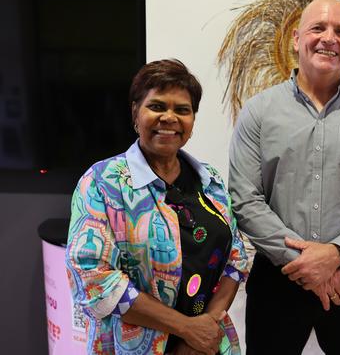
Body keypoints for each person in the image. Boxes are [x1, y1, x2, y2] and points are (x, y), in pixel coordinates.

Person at [228, 0, 340, 355]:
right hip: (276, 283)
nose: (330, 37)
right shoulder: (259, 112)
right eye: (318, 28)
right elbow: (245, 198)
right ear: (296, 39)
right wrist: (307, 264)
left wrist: (337, 254)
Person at [65, 59, 248, 355]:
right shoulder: (102, 183)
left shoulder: (210, 180)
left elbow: (237, 257)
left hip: (208, 345)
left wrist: (205, 328)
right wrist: (184, 328)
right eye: (157, 106)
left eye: (182, 110)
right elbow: (92, 276)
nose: (169, 117)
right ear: (136, 113)